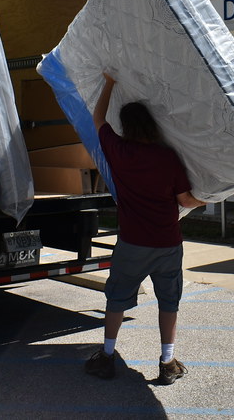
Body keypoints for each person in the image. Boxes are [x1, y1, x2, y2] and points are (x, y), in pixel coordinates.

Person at [84, 73, 205, 385]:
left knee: (117, 298)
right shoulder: (167, 157)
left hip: (132, 244)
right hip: (167, 243)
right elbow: (187, 200)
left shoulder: (118, 151)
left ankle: (107, 356)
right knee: (169, 301)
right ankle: (167, 362)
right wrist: (208, 197)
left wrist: (109, 83)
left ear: (126, 127)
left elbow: (97, 119)